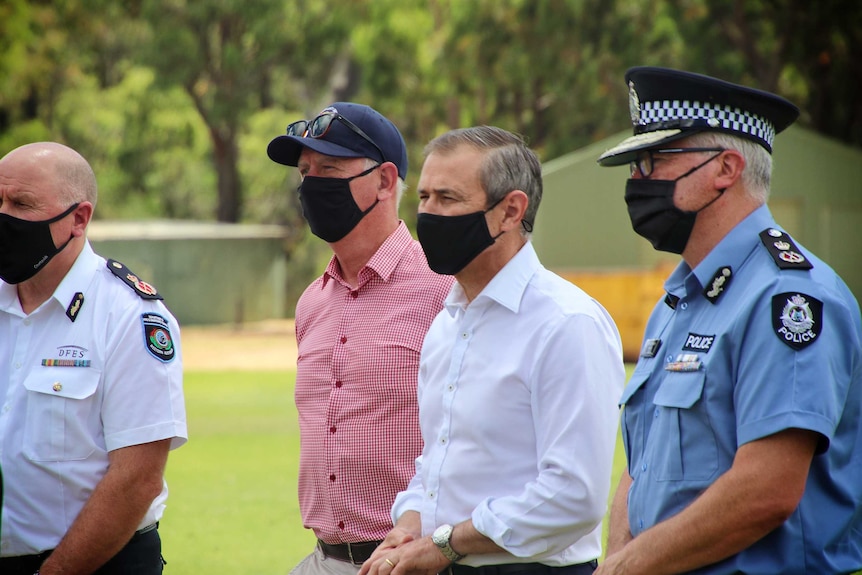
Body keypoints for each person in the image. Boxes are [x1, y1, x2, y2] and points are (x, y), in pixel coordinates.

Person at [593, 67, 862, 575]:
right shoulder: (678, 300)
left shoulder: (787, 296)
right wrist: (621, 558)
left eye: (653, 160)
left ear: (726, 168)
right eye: (634, 165)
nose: (636, 181)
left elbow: (766, 490)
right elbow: (643, 465)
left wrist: (626, 569)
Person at [359, 126, 626, 575]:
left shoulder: (566, 324)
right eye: (423, 198)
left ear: (510, 210)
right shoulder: (448, 323)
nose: (428, 214)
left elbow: (573, 496)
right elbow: (438, 460)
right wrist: (408, 526)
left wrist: (445, 543)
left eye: (447, 198)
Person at [266, 103, 454, 574]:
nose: (311, 184)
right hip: (324, 558)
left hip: (416, 559)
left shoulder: (445, 291)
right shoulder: (312, 302)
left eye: (329, 169)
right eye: (305, 172)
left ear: (386, 181)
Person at [0, 142, 188, 575]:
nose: (5, 216)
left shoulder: (129, 316)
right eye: (0, 200)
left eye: (22, 204)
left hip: (95, 563)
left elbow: (137, 480)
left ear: (78, 219)